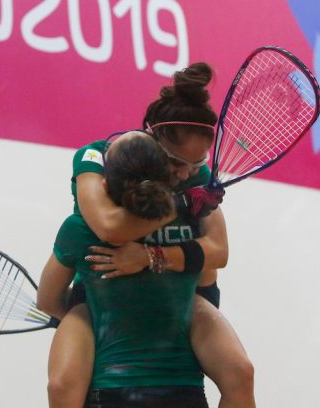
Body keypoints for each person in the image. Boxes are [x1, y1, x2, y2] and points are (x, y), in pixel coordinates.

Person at [38, 63, 255, 408]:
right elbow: (109, 226)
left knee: (241, 372)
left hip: (179, 298)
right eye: (175, 163)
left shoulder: (195, 176)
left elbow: (219, 252)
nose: (185, 173)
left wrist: (154, 257)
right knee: (62, 386)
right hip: (101, 296)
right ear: (153, 139)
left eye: (196, 164)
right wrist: (178, 204)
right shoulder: (97, 158)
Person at [40, 131, 210, 407]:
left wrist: (94, 321)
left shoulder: (79, 228)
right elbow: (213, 264)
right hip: (171, 347)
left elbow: (47, 299)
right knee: (240, 374)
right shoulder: (187, 212)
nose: (187, 172)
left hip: (147, 344)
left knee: (61, 387)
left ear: (105, 185)